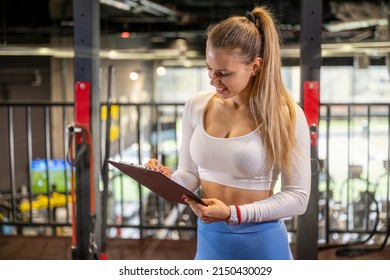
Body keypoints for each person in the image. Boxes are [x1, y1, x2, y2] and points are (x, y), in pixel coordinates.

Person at [146, 5, 311, 260]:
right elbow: (189, 175)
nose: (213, 80)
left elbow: (298, 198)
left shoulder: (285, 115)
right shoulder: (196, 105)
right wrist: (166, 180)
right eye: (209, 69)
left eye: (224, 73)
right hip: (210, 241)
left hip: (262, 243)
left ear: (255, 66)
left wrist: (234, 213)